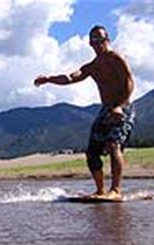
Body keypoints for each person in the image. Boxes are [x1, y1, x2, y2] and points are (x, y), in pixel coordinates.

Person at [35, 25, 135, 200]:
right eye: (94, 41)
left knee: (113, 145)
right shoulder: (92, 66)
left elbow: (129, 82)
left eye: (101, 40)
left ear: (108, 40)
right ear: (90, 43)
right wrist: (48, 79)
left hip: (123, 106)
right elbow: (70, 78)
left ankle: (116, 190)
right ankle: (100, 190)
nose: (98, 44)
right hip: (106, 109)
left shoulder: (117, 58)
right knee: (92, 151)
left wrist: (120, 105)